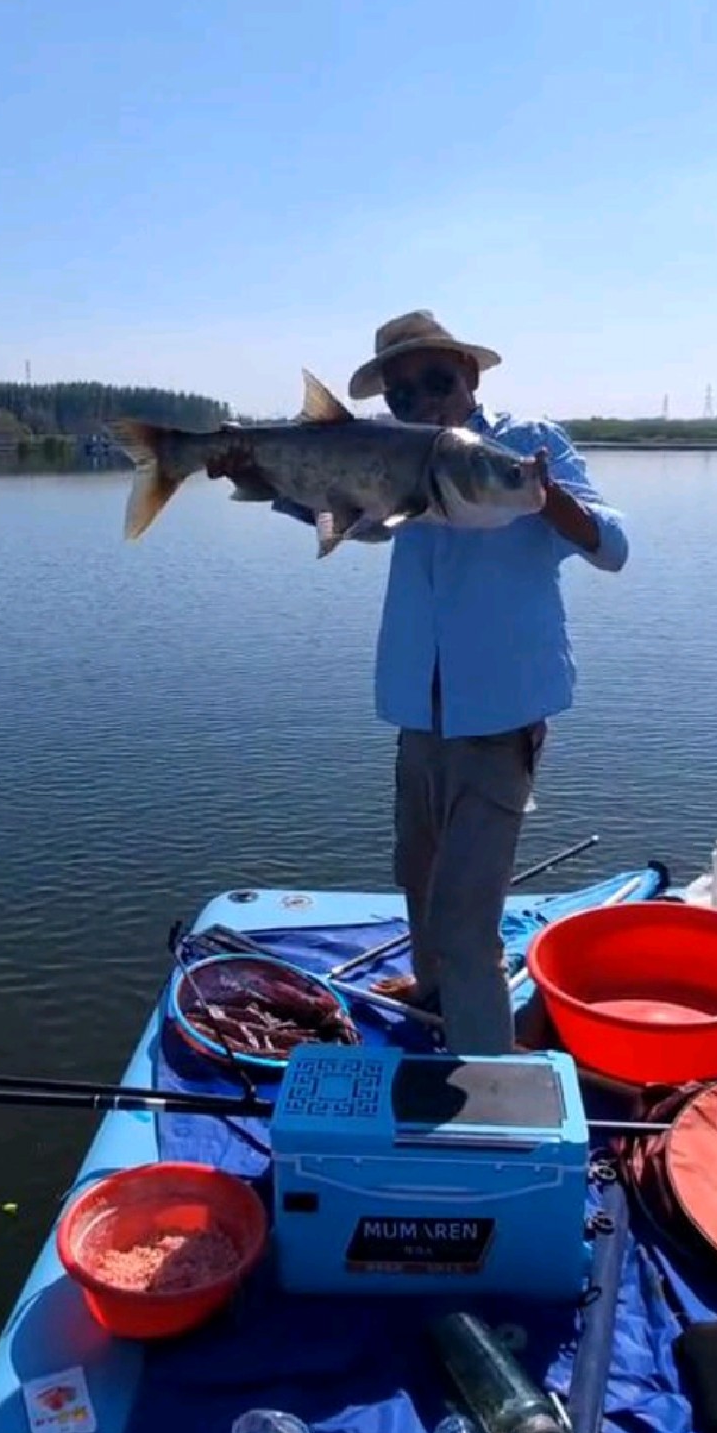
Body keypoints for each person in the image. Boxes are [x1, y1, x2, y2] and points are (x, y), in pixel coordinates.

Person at [234, 309, 628, 1056]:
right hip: (419, 706)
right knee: (416, 869)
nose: (422, 402)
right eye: (403, 395)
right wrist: (271, 485)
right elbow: (364, 524)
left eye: (436, 382)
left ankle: (483, 1079)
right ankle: (432, 993)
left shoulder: (525, 445)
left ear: (470, 376)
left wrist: (542, 494)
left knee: (466, 914)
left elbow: (615, 546)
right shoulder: (396, 455)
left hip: (501, 713)